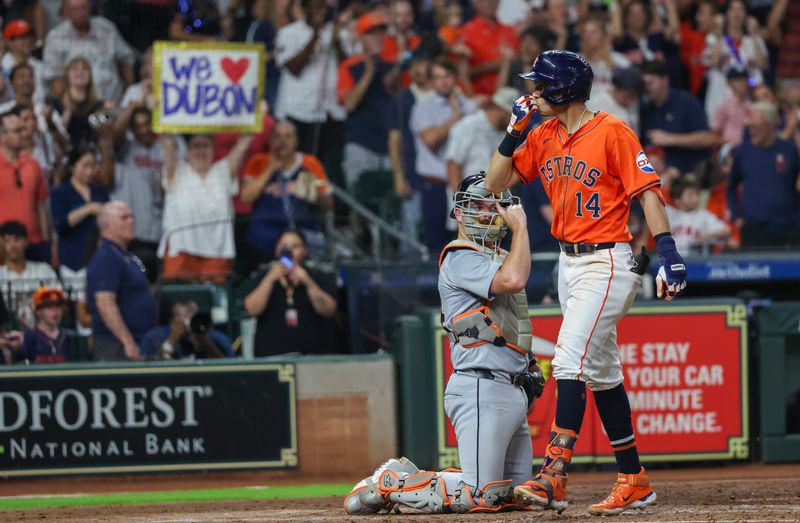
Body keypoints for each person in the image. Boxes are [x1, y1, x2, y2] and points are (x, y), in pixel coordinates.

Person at [486, 50, 688, 514]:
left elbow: (648, 194)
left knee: (567, 360)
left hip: (608, 262)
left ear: (560, 90)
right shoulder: (542, 134)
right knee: (601, 373)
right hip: (568, 264)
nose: (532, 93)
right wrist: (512, 133)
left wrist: (668, 251)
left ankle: (554, 473)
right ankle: (633, 478)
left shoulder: (612, 131)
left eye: (539, 86)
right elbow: (497, 184)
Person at [343, 174, 544, 515]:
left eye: (492, 205)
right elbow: (513, 280)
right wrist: (522, 228)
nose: (486, 213)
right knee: (481, 495)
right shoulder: (460, 256)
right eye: (477, 206)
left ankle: (411, 486)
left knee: (513, 495)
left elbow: (508, 323)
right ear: (458, 214)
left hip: (509, 389)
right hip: (481, 385)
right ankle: (391, 481)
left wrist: (528, 366)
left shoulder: (496, 256)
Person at [159, 131, 253, 282]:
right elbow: (168, 145)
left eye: (205, 146)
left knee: (214, 302)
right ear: (187, 150)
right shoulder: (178, 171)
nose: (200, 151)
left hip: (217, 251)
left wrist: (255, 116)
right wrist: (159, 113)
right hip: (181, 248)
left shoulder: (222, 172)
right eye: (195, 146)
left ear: (213, 150)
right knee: (177, 300)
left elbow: (242, 146)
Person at [239, 121, 333, 268]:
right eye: (277, 136)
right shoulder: (258, 162)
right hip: (265, 236)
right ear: (270, 140)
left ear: (296, 140)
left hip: (300, 235)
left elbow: (328, 204)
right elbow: (246, 197)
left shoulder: (310, 163)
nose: (283, 142)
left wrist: (314, 194)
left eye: (288, 137)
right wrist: (270, 169)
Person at [410, 57, 476, 252]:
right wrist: (455, 117)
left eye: (447, 76)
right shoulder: (423, 107)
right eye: (438, 77)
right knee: (439, 248)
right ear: (431, 81)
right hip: (436, 187)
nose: (444, 81)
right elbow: (430, 140)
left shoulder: (469, 105)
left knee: (471, 246)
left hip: (467, 187)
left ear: (455, 77)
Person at [243, 229, 338, 356]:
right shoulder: (263, 274)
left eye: (295, 246)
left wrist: (307, 282)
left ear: (305, 250)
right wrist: (270, 279)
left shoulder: (317, 275)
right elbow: (252, 309)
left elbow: (329, 310)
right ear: (277, 250)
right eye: (284, 247)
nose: (290, 251)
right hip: (272, 355)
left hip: (313, 355)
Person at [87, 201, 155, 361]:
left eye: (131, 216)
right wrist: (128, 342)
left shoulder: (123, 254)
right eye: (124, 218)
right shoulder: (106, 256)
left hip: (137, 341)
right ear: (107, 225)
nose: (131, 221)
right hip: (115, 346)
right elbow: (105, 303)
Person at [727, 102, 800, 249]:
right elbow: (731, 187)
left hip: (790, 228)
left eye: (756, 127)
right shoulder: (742, 152)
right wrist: (737, 217)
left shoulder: (790, 150)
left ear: (771, 125)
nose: (751, 131)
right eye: (750, 126)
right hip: (754, 230)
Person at [337, 11, 396, 191]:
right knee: (359, 197)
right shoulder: (350, 66)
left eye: (381, 32)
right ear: (361, 38)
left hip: (389, 145)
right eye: (371, 33)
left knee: (390, 200)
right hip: (361, 142)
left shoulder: (393, 67)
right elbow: (349, 104)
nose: (377, 38)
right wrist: (369, 72)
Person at [42, 0, 135, 102]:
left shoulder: (106, 28)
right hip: (78, 109)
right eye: (75, 9)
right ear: (66, 12)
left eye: (83, 8)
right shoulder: (56, 37)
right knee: (97, 118)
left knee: (136, 112)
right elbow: (55, 78)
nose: (80, 13)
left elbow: (126, 59)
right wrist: (69, 106)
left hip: (113, 104)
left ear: (90, 8)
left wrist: (129, 93)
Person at [640, 59, 717, 175]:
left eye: (650, 83)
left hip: (691, 173)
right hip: (658, 174)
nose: (647, 88)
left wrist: (670, 139)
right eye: (644, 84)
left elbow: (706, 139)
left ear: (665, 80)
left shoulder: (686, 102)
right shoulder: (645, 110)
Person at [110, 103, 164, 266]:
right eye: (138, 126)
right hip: (133, 233)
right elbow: (116, 131)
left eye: (147, 124)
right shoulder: (127, 147)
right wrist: (134, 105)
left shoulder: (164, 147)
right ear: (132, 129)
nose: (143, 130)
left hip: (160, 231)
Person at [50, 142, 111, 275]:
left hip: (99, 257)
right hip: (72, 259)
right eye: (85, 166)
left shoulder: (100, 192)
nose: (89, 171)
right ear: (72, 166)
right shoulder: (61, 193)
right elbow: (60, 224)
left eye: (93, 166)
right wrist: (88, 209)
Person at [0, 106, 51, 263]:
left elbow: (41, 207)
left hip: (34, 243)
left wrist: (47, 242)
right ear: (2, 135)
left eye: (23, 129)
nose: (25, 134)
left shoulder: (34, 165)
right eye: (18, 131)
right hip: (3, 246)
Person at [702, 0, 768, 121]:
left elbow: (762, 64)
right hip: (720, 94)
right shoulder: (713, 38)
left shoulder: (754, 39)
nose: (736, 13)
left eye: (741, 9)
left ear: (746, 15)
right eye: (732, 9)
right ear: (726, 14)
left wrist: (753, 34)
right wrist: (719, 31)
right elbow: (715, 62)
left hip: (747, 96)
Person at [446, 87, 520, 191]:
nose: (516, 122)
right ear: (501, 110)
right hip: (469, 200)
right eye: (513, 116)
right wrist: (462, 201)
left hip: (494, 201)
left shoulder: (507, 133)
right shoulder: (467, 126)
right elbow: (453, 166)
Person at [0, 221, 61, 328]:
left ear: (26, 242)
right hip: (7, 333)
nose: (12, 245)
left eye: (17, 239)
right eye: (7, 241)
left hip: (42, 333)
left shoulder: (44, 270)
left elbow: (61, 304)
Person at [460, 0, 519, 96]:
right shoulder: (465, 33)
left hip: (510, 98)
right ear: (475, 3)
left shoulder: (510, 31)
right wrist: (495, 65)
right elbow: (461, 72)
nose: (490, 3)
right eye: (484, 1)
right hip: (479, 98)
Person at [139, 299, 232, 360]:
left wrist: (206, 343)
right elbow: (152, 369)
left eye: (192, 317)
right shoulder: (155, 337)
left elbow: (227, 369)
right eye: (184, 318)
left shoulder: (216, 338)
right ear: (172, 321)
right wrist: (172, 340)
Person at [50, 56, 106, 151]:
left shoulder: (97, 104)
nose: (80, 72)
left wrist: (107, 113)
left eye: (84, 69)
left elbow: (101, 132)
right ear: (67, 74)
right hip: (66, 152)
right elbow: (57, 134)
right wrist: (68, 110)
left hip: (91, 152)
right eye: (75, 69)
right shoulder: (56, 102)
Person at [666, 177, 731, 254]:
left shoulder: (703, 215)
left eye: (697, 194)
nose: (696, 199)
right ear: (677, 199)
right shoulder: (668, 213)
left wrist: (708, 235)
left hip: (695, 261)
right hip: (671, 261)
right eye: (691, 195)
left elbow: (725, 232)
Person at [578, 16, 631, 100]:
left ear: (604, 36)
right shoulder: (576, 61)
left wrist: (608, 60)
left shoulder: (620, 59)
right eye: (585, 32)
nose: (588, 36)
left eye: (594, 32)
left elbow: (629, 85)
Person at [19, 286, 70, 364]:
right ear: (38, 311)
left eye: (58, 306)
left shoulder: (66, 336)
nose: (55, 310)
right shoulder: (29, 337)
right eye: (49, 307)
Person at [1, 19, 47, 104]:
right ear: (9, 42)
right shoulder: (2, 67)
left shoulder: (40, 65)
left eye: (29, 36)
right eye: (22, 37)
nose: (27, 41)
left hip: (38, 112)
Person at [588, 66, 643, 135]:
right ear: (616, 88)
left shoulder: (634, 104)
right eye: (626, 97)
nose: (630, 102)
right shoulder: (597, 104)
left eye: (633, 97)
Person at [713, 66, 752, 147]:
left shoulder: (752, 104)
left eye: (745, 79)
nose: (743, 82)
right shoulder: (724, 105)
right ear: (729, 83)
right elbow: (716, 131)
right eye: (738, 79)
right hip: (730, 146)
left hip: (750, 147)